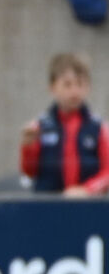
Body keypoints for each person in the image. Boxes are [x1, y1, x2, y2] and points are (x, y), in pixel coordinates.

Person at [20, 52, 109, 195]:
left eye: (80, 84)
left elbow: (107, 172)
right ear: (53, 87)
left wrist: (87, 190)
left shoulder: (99, 128)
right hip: (48, 204)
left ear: (88, 87)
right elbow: (29, 172)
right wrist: (28, 146)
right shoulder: (40, 127)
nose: (74, 91)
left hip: (87, 206)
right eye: (67, 85)